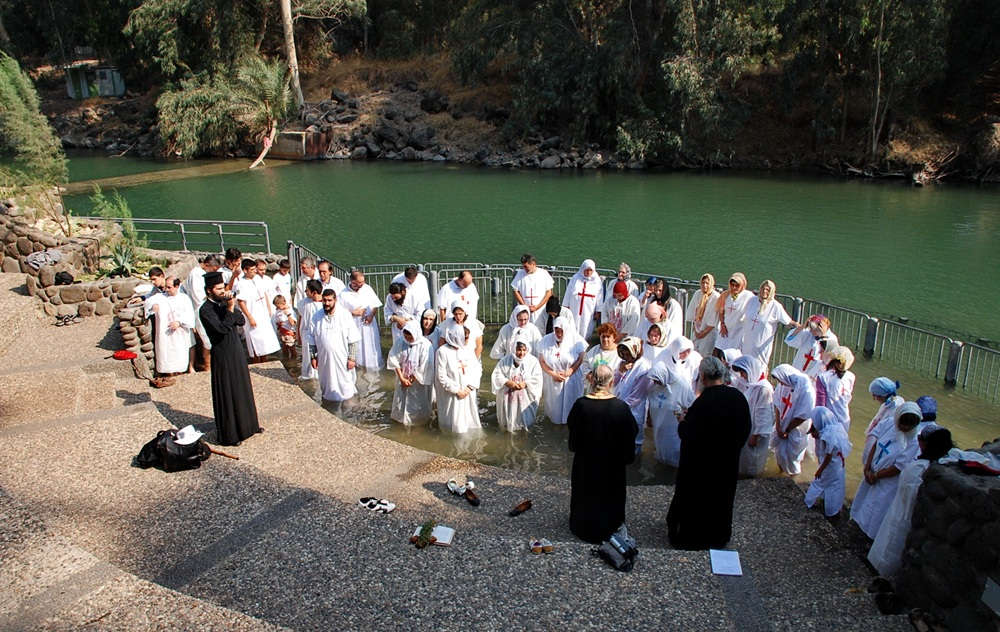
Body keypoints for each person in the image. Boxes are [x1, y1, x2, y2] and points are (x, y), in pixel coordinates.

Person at [667, 357, 751, 550]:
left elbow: (688, 434)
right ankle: (719, 535)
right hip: (727, 463)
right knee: (721, 501)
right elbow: (745, 429)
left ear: (703, 377)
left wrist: (682, 421)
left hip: (701, 466)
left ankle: (690, 537)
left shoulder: (702, 403)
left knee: (696, 503)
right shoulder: (738, 398)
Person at [567, 363, 639, 543]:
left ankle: (582, 525)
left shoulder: (581, 405)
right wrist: (626, 456)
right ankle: (611, 525)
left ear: (591, 380)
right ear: (611, 381)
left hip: (587, 462)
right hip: (611, 465)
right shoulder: (620, 407)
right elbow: (632, 432)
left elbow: (573, 433)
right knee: (610, 495)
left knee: (585, 493)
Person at [868, 426, 953, 577]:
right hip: (910, 516)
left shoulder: (917, 468)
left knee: (890, 545)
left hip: (903, 514)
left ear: (923, 444)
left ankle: (881, 572)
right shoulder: (939, 466)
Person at [200, 271, 261, 446]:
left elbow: (240, 321)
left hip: (235, 350)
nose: (222, 291)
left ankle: (250, 426)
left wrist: (231, 308)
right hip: (223, 354)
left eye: (223, 287)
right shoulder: (206, 310)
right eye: (218, 288)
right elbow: (221, 329)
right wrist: (229, 310)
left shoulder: (224, 304)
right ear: (209, 290)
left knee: (242, 387)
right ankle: (232, 434)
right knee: (228, 392)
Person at [851, 402, 923, 539]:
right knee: (864, 501)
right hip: (872, 471)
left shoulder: (914, 440)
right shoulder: (889, 423)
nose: (904, 428)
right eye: (902, 424)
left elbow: (899, 466)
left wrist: (877, 475)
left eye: (909, 426)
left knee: (878, 509)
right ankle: (858, 525)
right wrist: (867, 467)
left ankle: (870, 537)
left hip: (888, 480)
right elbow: (876, 444)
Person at [304, 289, 361, 402]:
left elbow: (353, 339)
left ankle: (348, 407)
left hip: (342, 358)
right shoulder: (316, 317)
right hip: (324, 359)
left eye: (330, 300)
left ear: (335, 300)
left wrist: (352, 358)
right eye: (324, 300)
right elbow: (311, 338)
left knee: (346, 385)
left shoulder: (344, 315)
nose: (327, 303)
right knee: (327, 383)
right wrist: (313, 357)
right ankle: (329, 405)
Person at [803, 406, 852, 518]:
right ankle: (833, 508)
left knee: (819, 482)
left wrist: (820, 470)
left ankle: (809, 501)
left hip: (831, 465)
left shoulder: (828, 435)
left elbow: (828, 456)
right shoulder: (837, 427)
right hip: (839, 464)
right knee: (836, 485)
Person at [537, 317, 587, 424]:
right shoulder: (546, 340)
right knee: (554, 409)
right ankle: (555, 428)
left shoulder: (576, 339)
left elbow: (582, 357)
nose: (559, 334)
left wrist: (571, 370)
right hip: (553, 379)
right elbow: (541, 361)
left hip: (572, 378)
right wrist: (553, 374)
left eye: (561, 331)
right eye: (556, 331)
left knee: (572, 407)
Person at [731, 354, 774, 477]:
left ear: (750, 370)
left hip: (755, 432)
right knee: (743, 459)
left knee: (753, 461)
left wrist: (756, 435)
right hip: (747, 428)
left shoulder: (764, 389)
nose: (742, 376)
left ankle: (753, 480)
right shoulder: (750, 383)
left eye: (743, 372)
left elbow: (763, 414)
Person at [769, 363, 816, 475]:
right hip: (782, 426)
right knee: (779, 452)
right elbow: (777, 404)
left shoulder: (806, 389)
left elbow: (803, 415)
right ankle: (779, 473)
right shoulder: (783, 385)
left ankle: (793, 478)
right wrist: (779, 426)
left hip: (797, 428)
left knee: (793, 457)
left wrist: (787, 430)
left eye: (781, 381)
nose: (780, 384)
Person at [435, 325, 483, 434]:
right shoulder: (442, 351)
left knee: (469, 423)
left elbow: (477, 369)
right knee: (452, 423)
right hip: (451, 393)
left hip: (468, 391)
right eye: (465, 338)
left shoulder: (468, 350)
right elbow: (441, 375)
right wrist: (457, 391)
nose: (467, 340)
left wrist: (470, 387)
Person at [385, 320, 434, 425]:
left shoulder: (425, 345)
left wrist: (412, 379)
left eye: (410, 337)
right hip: (402, 378)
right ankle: (400, 421)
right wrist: (402, 378)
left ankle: (419, 424)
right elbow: (394, 359)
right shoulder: (401, 341)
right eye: (406, 336)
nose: (408, 339)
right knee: (401, 403)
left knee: (418, 405)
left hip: (418, 382)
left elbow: (426, 365)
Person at [740, 280, 798, 366]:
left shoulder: (775, 306)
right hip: (746, 344)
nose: (764, 291)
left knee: (758, 369)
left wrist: (801, 326)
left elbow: (788, 321)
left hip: (761, 347)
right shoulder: (752, 301)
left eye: (767, 289)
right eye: (763, 288)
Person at [491, 336, 543, 432]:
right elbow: (497, 375)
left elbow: (537, 378)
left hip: (525, 398)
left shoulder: (533, 362)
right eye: (519, 350)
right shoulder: (505, 361)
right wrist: (507, 382)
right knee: (508, 421)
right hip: (508, 399)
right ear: (514, 348)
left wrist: (526, 384)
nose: (521, 353)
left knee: (524, 424)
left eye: (524, 350)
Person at [647, 362, 694, 467]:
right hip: (659, 424)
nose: (655, 382)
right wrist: (649, 417)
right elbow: (651, 400)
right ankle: (661, 462)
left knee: (673, 446)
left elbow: (691, 405)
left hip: (673, 425)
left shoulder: (681, 385)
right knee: (660, 445)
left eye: (657, 380)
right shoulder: (655, 386)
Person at [147, 275, 195, 376]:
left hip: (180, 333)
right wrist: (153, 306)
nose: (167, 290)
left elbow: (189, 314)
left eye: (169, 287)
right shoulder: (160, 297)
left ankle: (181, 371)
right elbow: (149, 302)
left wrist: (179, 322)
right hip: (166, 335)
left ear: (177, 286)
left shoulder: (184, 298)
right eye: (166, 287)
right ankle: (168, 374)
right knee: (166, 354)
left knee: (180, 353)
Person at [235, 258, 280, 361]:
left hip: (262, 313)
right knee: (255, 341)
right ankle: (256, 361)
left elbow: (264, 294)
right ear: (245, 270)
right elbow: (241, 302)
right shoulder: (241, 284)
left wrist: (269, 308)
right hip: (252, 313)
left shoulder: (257, 279)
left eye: (255, 269)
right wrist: (250, 317)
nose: (255, 271)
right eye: (252, 270)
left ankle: (265, 360)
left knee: (265, 341)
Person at [339, 269, 383, 371]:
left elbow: (375, 304)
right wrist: (352, 313)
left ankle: (373, 367)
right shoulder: (343, 294)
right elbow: (339, 312)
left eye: (363, 282)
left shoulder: (367, 288)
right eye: (359, 283)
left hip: (369, 324)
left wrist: (371, 315)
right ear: (352, 282)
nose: (361, 285)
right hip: (354, 324)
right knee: (357, 346)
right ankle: (358, 366)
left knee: (371, 346)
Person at [182, 254, 220, 372]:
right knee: (206, 339)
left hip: (206, 309)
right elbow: (198, 297)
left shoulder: (200, 274)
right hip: (200, 311)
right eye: (213, 269)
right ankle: (207, 367)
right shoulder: (196, 274)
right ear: (207, 265)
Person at [614, 336, 651, 452]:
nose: (625, 356)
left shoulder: (644, 368)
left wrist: (619, 407)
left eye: (628, 353)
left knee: (634, 443)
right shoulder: (624, 363)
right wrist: (620, 371)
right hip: (620, 407)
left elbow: (637, 396)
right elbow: (613, 382)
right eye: (623, 354)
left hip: (634, 410)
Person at [863, 377, 904, 468]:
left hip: (881, 448)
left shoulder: (895, 409)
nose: (874, 398)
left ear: (883, 395)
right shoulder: (887, 404)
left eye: (875, 395)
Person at [784, 314, 839, 378]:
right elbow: (789, 340)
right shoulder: (808, 333)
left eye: (814, 328)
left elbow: (830, 357)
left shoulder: (831, 338)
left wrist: (822, 335)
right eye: (811, 328)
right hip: (798, 370)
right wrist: (803, 327)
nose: (811, 330)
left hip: (813, 375)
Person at [815, 345, 856, 430]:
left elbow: (820, 405)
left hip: (827, 421)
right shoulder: (851, 377)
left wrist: (815, 426)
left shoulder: (823, 377)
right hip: (844, 419)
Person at [562, 259, 603, 340]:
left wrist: (599, 310)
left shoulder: (597, 281)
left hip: (589, 310)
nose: (588, 272)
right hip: (575, 308)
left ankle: (585, 343)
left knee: (586, 326)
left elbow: (600, 296)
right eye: (586, 270)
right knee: (573, 324)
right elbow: (568, 292)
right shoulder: (575, 278)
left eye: (590, 270)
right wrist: (565, 306)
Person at [511, 253, 554, 330]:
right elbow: (515, 291)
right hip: (525, 311)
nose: (524, 269)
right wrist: (524, 306)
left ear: (533, 264)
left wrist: (537, 307)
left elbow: (549, 292)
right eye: (523, 267)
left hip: (540, 311)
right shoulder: (520, 274)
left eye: (526, 267)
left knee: (540, 331)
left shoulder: (543, 273)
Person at [714, 272, 752, 353]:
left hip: (739, 331)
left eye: (737, 285)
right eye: (732, 285)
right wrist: (722, 324)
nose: (734, 287)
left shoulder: (748, 296)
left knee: (734, 353)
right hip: (725, 329)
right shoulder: (725, 295)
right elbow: (721, 311)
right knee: (719, 351)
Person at [685, 273, 720, 357]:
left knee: (704, 355)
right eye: (703, 283)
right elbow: (693, 311)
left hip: (709, 332)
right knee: (693, 353)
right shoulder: (698, 294)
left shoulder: (716, 297)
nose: (704, 285)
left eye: (707, 283)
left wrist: (703, 333)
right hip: (697, 329)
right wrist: (696, 330)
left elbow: (714, 320)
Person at [296, 279, 324, 380]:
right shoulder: (303, 303)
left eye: (307, 290)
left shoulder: (324, 304)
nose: (305, 292)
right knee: (307, 356)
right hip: (307, 334)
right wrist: (298, 335)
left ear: (314, 292)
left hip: (320, 334)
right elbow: (300, 318)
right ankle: (307, 375)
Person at [272, 295, 297, 360]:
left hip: (289, 333)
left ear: (283, 303)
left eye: (278, 306)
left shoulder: (289, 311)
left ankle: (293, 362)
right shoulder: (278, 311)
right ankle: (286, 362)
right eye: (276, 307)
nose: (276, 308)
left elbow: (293, 323)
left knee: (291, 348)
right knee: (284, 349)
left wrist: (287, 314)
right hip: (282, 333)